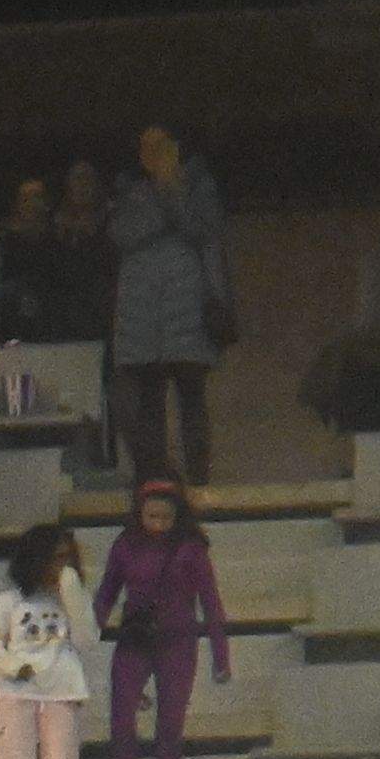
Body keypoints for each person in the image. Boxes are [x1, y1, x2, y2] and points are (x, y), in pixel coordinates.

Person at [108, 126, 234, 492]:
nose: (153, 153)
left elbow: (202, 229)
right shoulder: (126, 189)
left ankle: (198, 479)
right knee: (150, 402)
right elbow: (120, 235)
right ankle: (156, 480)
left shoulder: (201, 185)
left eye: (160, 146)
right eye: (146, 146)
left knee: (192, 396)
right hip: (142, 312)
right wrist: (161, 201)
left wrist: (171, 190)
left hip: (188, 309)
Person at [97, 470, 233, 759]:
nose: (158, 523)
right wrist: (90, 630)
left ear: (178, 517)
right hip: (136, 637)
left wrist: (221, 656)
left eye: (166, 518)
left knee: (170, 723)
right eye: (151, 516)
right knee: (122, 708)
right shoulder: (125, 544)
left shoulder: (191, 549)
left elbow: (211, 602)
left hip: (178, 643)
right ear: (139, 514)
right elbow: (106, 593)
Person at [0, 527, 93, 759]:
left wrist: (73, 594)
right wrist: (15, 667)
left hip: (62, 691)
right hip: (18, 692)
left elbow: (87, 640)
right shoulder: (9, 601)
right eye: (55, 559)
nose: (61, 566)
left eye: (67, 559)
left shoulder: (72, 599)